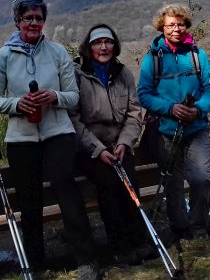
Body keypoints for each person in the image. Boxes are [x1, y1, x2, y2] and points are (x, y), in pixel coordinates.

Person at [0, 0, 98, 279]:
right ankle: (36, 262)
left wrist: (54, 96)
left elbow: (73, 98)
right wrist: (17, 104)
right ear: (18, 22)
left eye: (38, 18)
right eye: (28, 18)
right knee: (29, 199)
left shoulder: (58, 52)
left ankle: (86, 258)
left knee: (63, 184)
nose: (34, 23)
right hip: (21, 138)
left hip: (58, 132)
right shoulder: (3, 56)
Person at [70, 24, 152, 265]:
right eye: (98, 42)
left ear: (115, 45)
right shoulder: (77, 74)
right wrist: (98, 150)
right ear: (89, 46)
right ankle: (119, 246)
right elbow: (73, 119)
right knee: (108, 184)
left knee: (130, 182)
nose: (103, 47)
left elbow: (134, 112)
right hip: (89, 148)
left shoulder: (122, 73)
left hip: (119, 144)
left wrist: (125, 143)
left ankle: (139, 241)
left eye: (108, 42)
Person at [137, 4, 210, 241]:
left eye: (181, 24)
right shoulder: (152, 59)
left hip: (196, 128)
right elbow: (144, 94)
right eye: (171, 24)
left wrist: (199, 109)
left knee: (201, 177)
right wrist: (170, 108)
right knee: (173, 184)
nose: (176, 29)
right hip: (165, 130)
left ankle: (199, 228)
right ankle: (181, 230)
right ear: (162, 27)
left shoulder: (197, 55)